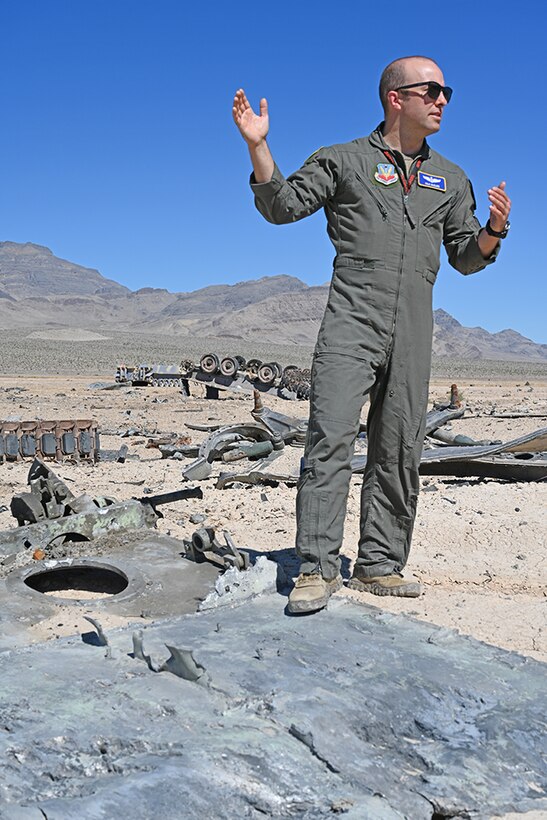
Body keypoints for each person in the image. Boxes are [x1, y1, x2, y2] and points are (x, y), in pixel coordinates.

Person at [232, 56, 511, 614]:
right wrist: (258, 146)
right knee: (330, 438)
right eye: (431, 90)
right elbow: (283, 207)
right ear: (395, 98)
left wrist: (493, 232)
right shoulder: (343, 160)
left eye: (445, 91)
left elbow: (464, 257)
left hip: (413, 328)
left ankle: (379, 565)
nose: (442, 101)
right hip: (351, 321)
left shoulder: (451, 178)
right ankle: (315, 568)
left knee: (400, 445)